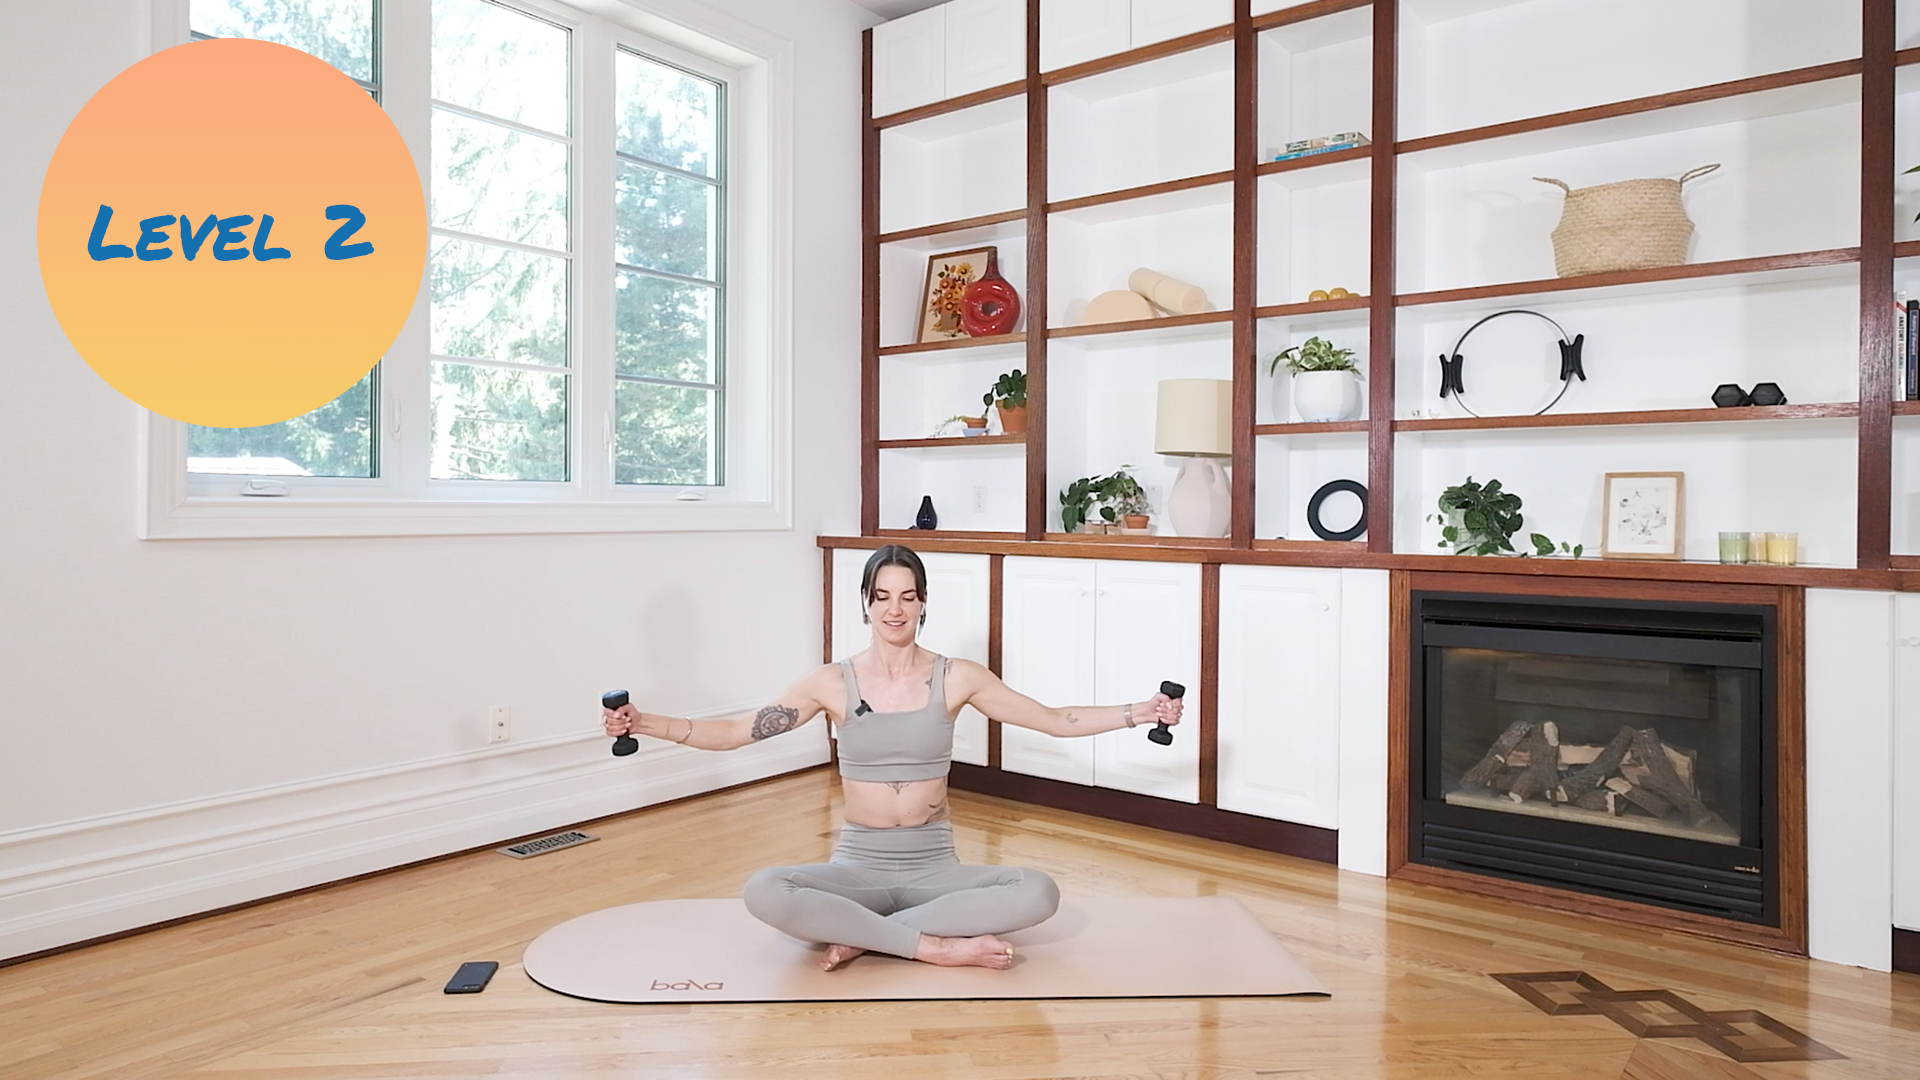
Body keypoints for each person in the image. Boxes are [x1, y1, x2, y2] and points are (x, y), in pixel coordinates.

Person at [601, 543, 1183, 971]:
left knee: (1038, 891)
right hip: (858, 867)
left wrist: (1141, 711)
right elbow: (734, 732)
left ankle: (865, 936)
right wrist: (644, 722)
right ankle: (931, 946)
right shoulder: (832, 683)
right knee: (763, 889)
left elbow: (1055, 719)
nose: (894, 609)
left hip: (937, 869)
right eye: (882, 597)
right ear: (866, 603)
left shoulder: (957, 677)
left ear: (923, 603)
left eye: (907, 596)